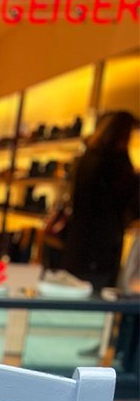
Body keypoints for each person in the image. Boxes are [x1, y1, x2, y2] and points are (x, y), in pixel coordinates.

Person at [61, 110, 140, 293]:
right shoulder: (115, 162)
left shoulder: (88, 157)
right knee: (95, 290)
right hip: (102, 241)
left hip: (81, 239)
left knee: (78, 288)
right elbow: (122, 199)